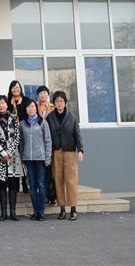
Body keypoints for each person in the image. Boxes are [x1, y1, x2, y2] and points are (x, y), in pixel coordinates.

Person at [47, 91, 83, 221]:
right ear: (54, 103)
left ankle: (73, 209)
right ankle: (62, 209)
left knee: (71, 180)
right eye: (57, 101)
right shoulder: (50, 117)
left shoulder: (72, 116)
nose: (59, 103)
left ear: (65, 102)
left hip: (70, 152)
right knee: (58, 180)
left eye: (61, 101)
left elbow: (77, 134)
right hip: (56, 152)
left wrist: (80, 149)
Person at [0, 95, 23, 221]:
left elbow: (17, 137)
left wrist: (9, 153)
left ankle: (13, 212)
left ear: (7, 105)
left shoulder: (13, 118)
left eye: (3, 103)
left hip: (13, 157)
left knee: (13, 184)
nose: (1, 105)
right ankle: (4, 212)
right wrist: (3, 153)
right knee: (2, 185)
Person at [19, 101, 52, 221]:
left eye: (32, 106)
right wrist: (22, 156)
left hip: (40, 159)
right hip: (28, 159)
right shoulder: (22, 124)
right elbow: (21, 142)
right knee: (32, 185)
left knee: (41, 184)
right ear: (26, 109)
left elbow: (48, 141)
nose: (30, 109)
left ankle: (41, 211)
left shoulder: (43, 122)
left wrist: (48, 157)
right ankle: (35, 211)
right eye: (28, 107)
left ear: (36, 108)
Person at [8, 80, 34, 193]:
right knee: (14, 159)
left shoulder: (26, 100)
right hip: (11, 135)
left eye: (17, 87)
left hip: (24, 133)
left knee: (24, 158)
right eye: (13, 87)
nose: (16, 89)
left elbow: (29, 114)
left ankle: (25, 184)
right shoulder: (8, 102)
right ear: (10, 89)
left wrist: (18, 106)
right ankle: (15, 185)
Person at [36, 85, 56, 205]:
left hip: (50, 141)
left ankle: (52, 196)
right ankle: (44, 196)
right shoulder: (34, 107)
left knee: (50, 171)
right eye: (40, 93)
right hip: (38, 143)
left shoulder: (53, 108)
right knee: (41, 172)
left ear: (48, 95)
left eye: (44, 93)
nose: (42, 95)